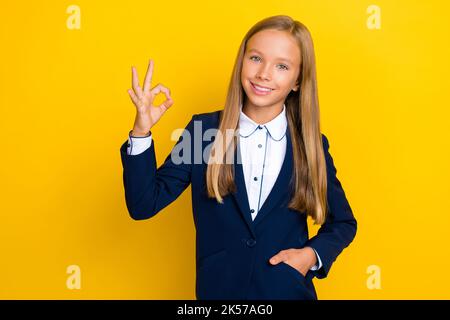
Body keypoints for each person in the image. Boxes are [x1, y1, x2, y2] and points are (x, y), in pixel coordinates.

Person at [119, 15, 357, 300]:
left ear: (297, 80)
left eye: (282, 66)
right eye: (256, 58)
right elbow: (144, 204)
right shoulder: (203, 133)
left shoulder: (311, 145)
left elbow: (343, 223)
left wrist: (310, 255)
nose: (264, 74)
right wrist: (141, 131)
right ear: (241, 61)